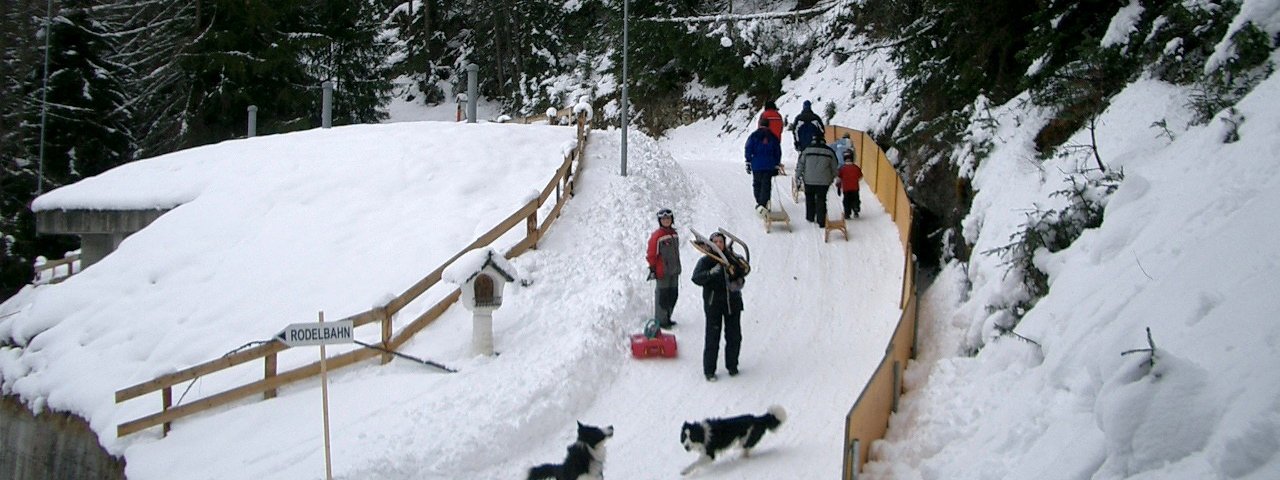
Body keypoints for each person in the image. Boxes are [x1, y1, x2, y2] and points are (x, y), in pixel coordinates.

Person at [690, 232, 748, 382]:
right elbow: (696, 278)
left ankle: (732, 366)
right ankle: (709, 371)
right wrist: (711, 273)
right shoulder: (706, 261)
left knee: (734, 337)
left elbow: (744, 271)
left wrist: (737, 275)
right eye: (714, 242)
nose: (718, 244)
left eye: (720, 241)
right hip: (713, 305)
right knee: (712, 338)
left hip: (733, 304)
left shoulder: (731, 258)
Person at [647, 208, 681, 328]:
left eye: (668, 218)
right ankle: (661, 321)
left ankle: (668, 317)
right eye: (663, 219)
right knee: (663, 296)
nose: (666, 220)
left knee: (673, 294)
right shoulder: (657, 235)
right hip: (663, 272)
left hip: (674, 271)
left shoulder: (674, 234)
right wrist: (652, 268)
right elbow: (651, 253)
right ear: (660, 221)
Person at [795, 136, 839, 227]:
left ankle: (810, 216)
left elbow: (801, 164)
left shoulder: (807, 151)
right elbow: (835, 167)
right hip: (824, 181)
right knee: (821, 199)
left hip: (809, 180)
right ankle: (821, 220)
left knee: (809, 197)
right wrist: (832, 178)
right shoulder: (830, 152)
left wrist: (798, 176)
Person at [744, 117, 782, 216]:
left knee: (757, 184)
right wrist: (777, 163)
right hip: (769, 165)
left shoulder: (754, 136)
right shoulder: (773, 137)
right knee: (766, 185)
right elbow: (777, 151)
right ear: (768, 125)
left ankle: (759, 203)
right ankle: (763, 204)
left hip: (757, 164)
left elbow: (748, 148)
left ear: (759, 124)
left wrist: (748, 161)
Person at [836, 149, 863, 219]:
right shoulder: (856, 167)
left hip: (846, 188)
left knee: (846, 200)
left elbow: (838, 179)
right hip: (855, 187)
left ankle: (847, 213)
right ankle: (856, 208)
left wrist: (838, 187)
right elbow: (860, 177)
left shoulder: (842, 168)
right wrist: (855, 180)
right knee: (856, 198)